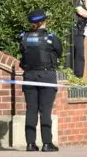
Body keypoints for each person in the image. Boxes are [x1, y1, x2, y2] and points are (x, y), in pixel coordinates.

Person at [19, 9, 62, 152]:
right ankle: (47, 143)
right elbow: (59, 52)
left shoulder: (23, 37)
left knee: (31, 110)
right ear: (44, 21)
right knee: (45, 111)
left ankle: (30, 144)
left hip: (29, 76)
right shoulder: (51, 38)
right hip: (46, 76)